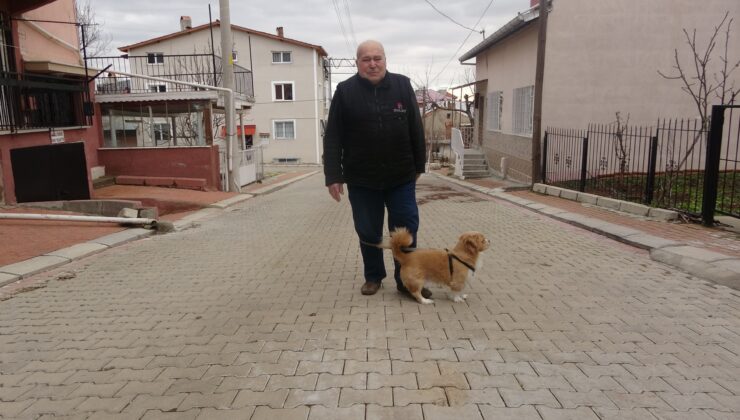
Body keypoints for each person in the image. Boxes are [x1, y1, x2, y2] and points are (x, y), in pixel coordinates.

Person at [323, 40, 431, 299]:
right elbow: (333, 136)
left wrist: (419, 165)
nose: (372, 64)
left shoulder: (402, 85)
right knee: (368, 230)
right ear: (357, 63)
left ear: (385, 60)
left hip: (400, 176)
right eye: (366, 59)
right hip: (362, 178)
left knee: (405, 229)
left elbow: (415, 128)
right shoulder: (345, 91)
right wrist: (333, 176)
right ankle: (373, 276)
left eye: (377, 58)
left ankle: (406, 281)